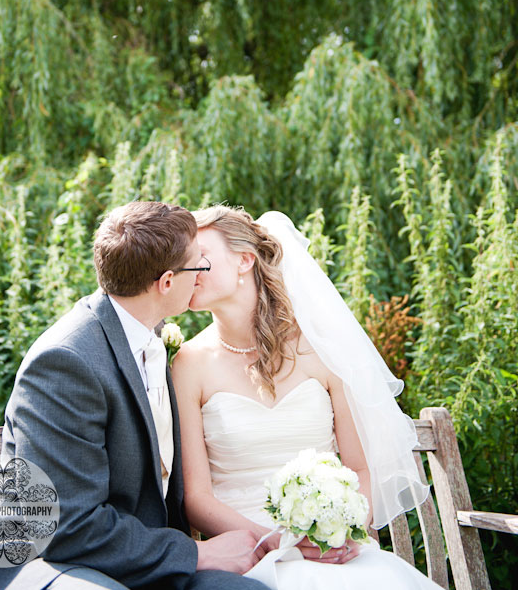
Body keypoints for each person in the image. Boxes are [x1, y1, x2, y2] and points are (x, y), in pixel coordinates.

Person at [0, 201, 270, 590]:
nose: (202, 275)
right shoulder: (65, 363)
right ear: (167, 283)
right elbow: (67, 526)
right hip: (48, 563)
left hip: (130, 556)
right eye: (197, 266)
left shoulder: (148, 333)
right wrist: (198, 553)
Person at [172, 206, 442, 590]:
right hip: (247, 556)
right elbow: (197, 498)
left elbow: (360, 470)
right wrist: (278, 542)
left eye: (199, 256)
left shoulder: (322, 350)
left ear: (244, 260)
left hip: (333, 552)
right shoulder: (188, 364)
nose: (187, 269)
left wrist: (343, 529)